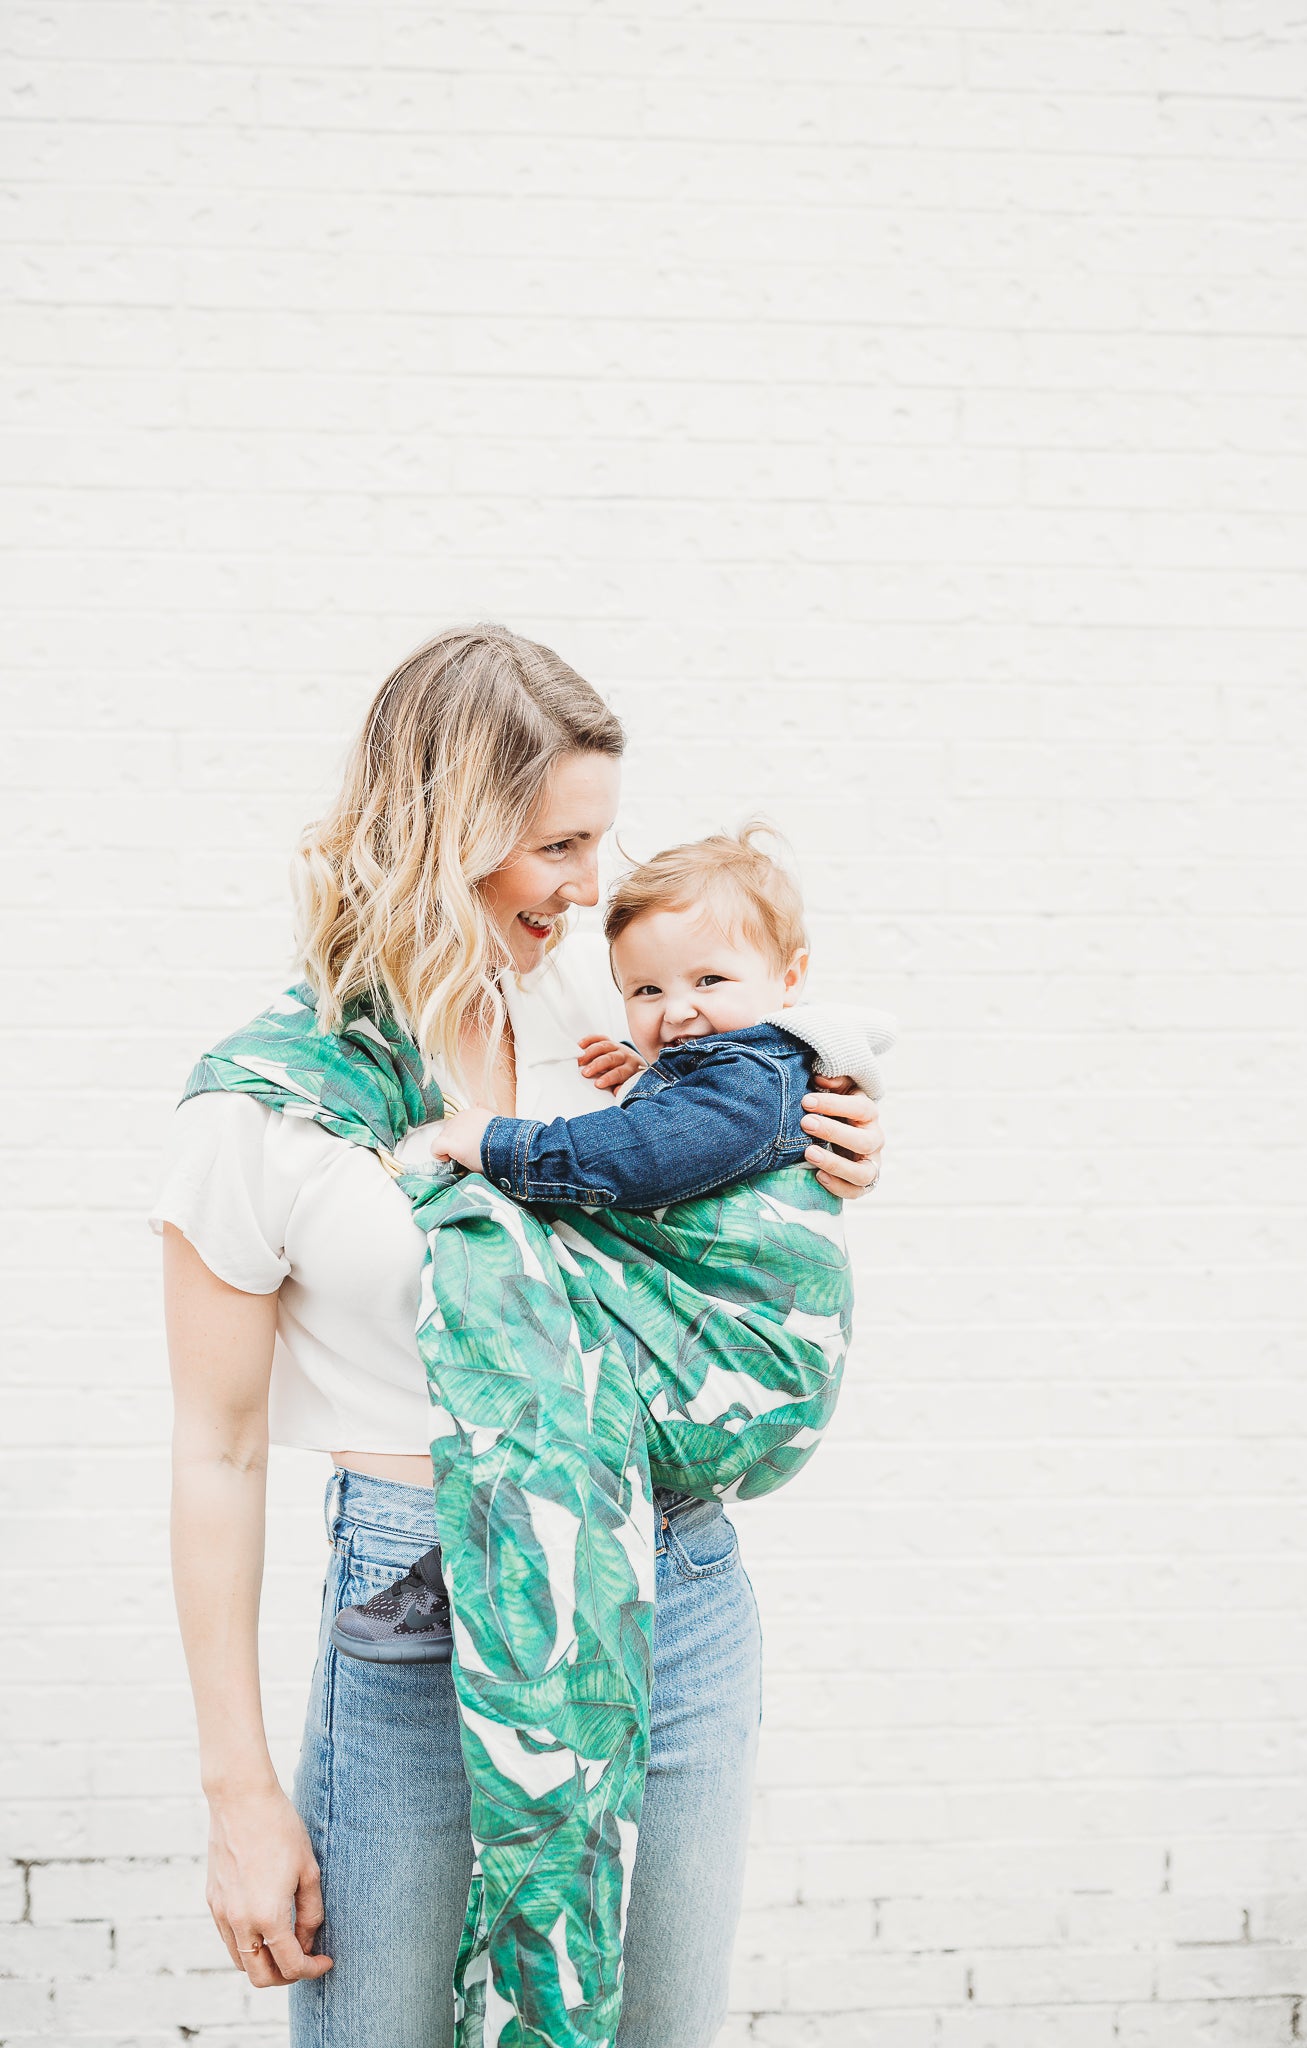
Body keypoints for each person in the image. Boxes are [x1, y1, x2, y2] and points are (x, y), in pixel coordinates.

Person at [154, 624, 885, 2048]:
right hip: (419, 1608)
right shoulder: (266, 1104)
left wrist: (831, 1136)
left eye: (599, 842)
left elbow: (737, 1162)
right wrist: (239, 1795)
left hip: (668, 1582)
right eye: (557, 846)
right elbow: (216, 1449)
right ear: (445, 831)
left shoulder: (610, 1020)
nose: (589, 888)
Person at [332, 823, 895, 1667]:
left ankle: (483, 1568)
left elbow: (636, 1161)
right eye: (645, 991)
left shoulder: (752, 1077)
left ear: (791, 979)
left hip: (742, 1383)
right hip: (722, 1421)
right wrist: (645, 1076)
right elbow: (687, 1140)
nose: (677, 1012)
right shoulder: (724, 1067)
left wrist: (491, 1140)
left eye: (709, 980)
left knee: (543, 1340)